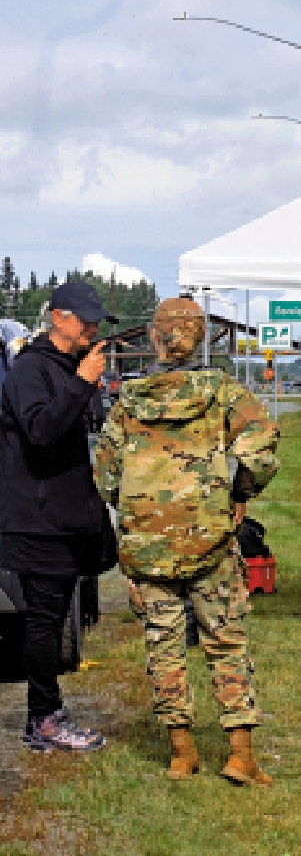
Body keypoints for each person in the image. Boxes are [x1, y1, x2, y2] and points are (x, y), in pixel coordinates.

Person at [93, 297, 280, 783]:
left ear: (154, 338)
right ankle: (240, 754)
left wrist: (137, 510)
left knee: (164, 647)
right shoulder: (223, 392)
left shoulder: (128, 402)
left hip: (147, 544)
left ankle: (182, 752)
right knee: (226, 642)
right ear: (201, 338)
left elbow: (105, 476)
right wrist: (240, 493)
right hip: (211, 542)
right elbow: (262, 450)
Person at [0, 283, 112, 752]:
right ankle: (42, 720)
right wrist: (83, 382)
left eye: (95, 320)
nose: (92, 327)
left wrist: (90, 386)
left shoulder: (68, 366)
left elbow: (84, 427)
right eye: (84, 319)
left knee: (53, 614)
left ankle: (47, 713)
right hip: (35, 518)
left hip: (64, 514)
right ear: (58, 318)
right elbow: (42, 430)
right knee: (44, 621)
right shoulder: (30, 368)